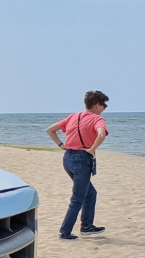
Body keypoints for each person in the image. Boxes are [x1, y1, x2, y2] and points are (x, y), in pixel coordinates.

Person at [47, 91, 110, 240]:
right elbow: (101, 135)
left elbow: (50, 130)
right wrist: (92, 149)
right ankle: (65, 232)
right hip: (82, 160)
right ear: (96, 105)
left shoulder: (73, 116)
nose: (104, 108)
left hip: (68, 158)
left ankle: (86, 226)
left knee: (90, 193)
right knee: (77, 198)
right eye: (103, 105)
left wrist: (61, 144)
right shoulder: (97, 119)